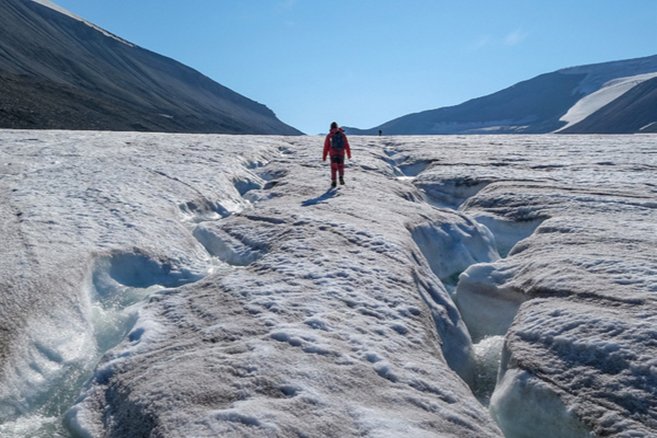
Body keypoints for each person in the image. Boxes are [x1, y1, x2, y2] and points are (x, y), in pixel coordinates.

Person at [323, 121, 352, 188]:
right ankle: (341, 176)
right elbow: (346, 145)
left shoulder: (329, 135)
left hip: (333, 153)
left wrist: (324, 156)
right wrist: (348, 154)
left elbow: (326, 146)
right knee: (340, 166)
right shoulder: (342, 134)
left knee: (333, 168)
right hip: (341, 153)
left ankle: (334, 181)